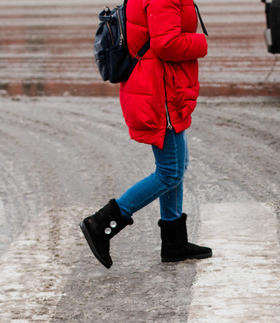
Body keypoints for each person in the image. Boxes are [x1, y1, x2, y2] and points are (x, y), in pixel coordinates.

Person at [80, 0, 211, 269]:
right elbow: (166, 44)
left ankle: (174, 240)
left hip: (161, 84)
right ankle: (101, 223)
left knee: (176, 166)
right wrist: (201, 44)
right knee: (170, 171)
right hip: (160, 89)